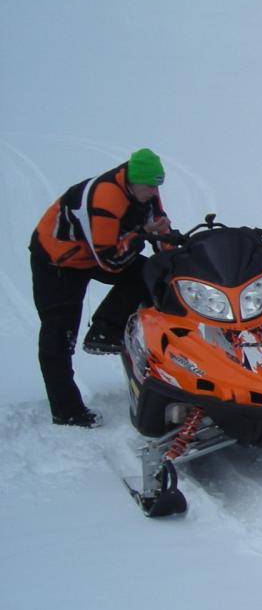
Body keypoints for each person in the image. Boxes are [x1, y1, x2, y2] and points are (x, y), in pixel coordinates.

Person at [29, 147, 173, 427]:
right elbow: (110, 260)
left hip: (94, 252)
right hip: (59, 260)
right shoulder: (107, 196)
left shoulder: (147, 190)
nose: (154, 193)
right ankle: (67, 411)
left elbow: (160, 227)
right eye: (149, 187)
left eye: (158, 186)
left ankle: (106, 331)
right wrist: (142, 235)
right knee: (59, 335)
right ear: (133, 182)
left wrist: (171, 255)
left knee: (147, 273)